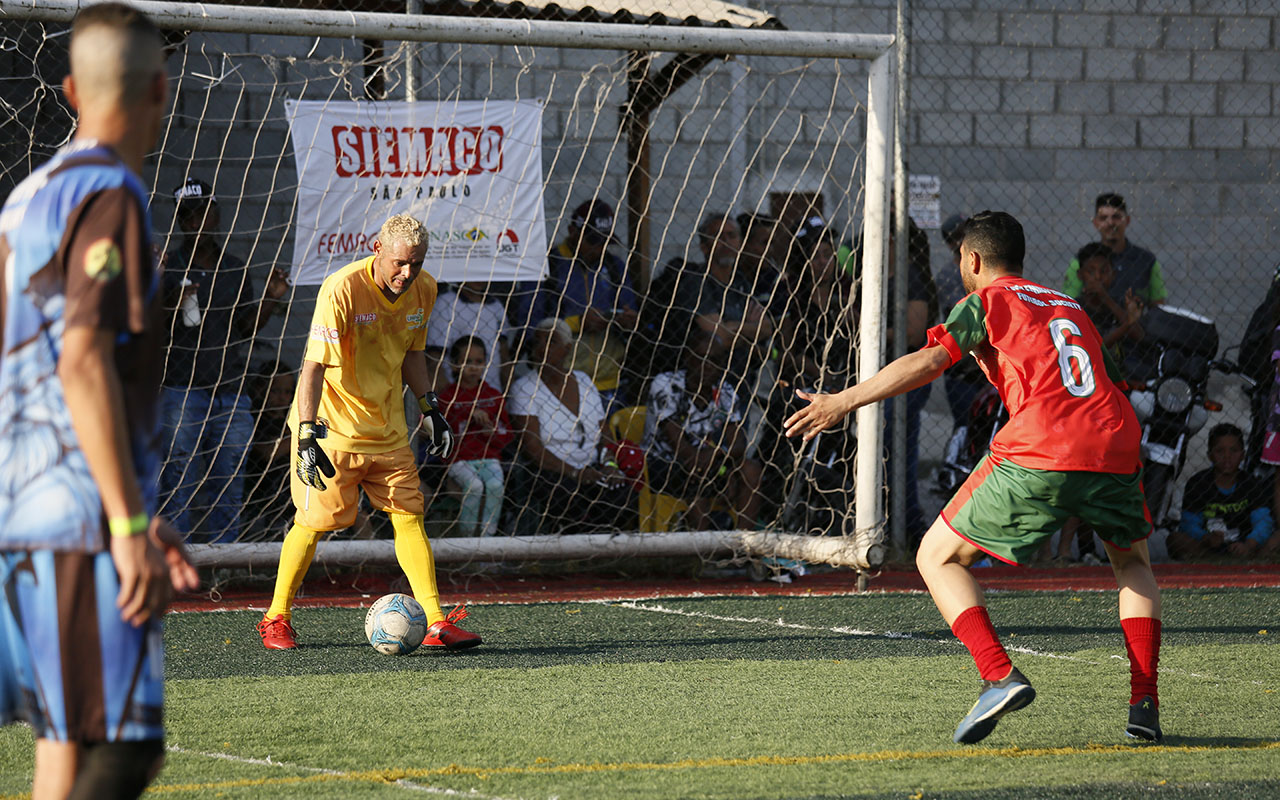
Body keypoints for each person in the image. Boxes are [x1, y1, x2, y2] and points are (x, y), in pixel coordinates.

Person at [785, 211, 1164, 745]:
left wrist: (844, 399)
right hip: (1115, 435)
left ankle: (998, 675)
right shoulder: (1069, 305)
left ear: (974, 259)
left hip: (1045, 441)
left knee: (934, 556)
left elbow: (929, 360)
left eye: (960, 257)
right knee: (1133, 564)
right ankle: (1144, 704)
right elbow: (1110, 378)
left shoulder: (986, 301)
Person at [0, 5, 200, 798]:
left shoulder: (26, 198)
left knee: (68, 743)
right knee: (119, 753)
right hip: (77, 524)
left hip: (23, 507)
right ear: (162, 89)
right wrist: (121, 521)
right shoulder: (112, 195)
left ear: (69, 91)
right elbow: (81, 360)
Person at [256, 214, 481, 652]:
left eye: (415, 264)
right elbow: (312, 367)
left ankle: (435, 621)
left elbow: (414, 353)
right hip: (331, 430)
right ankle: (275, 617)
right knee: (314, 524)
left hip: (390, 430)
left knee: (410, 517)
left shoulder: (425, 288)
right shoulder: (341, 288)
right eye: (399, 263)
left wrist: (429, 405)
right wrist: (304, 436)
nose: (406, 273)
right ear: (377, 251)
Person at [160, 177, 289, 543]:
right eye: (188, 217)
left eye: (202, 214)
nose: (196, 222)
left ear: (216, 216)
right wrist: (169, 296)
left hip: (229, 391)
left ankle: (224, 560)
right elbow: (151, 329)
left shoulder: (233, 267)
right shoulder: (168, 267)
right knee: (177, 478)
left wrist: (270, 298)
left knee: (229, 478)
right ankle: (175, 561)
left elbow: (243, 328)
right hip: (182, 390)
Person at [507, 318, 633, 535]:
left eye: (551, 341)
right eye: (538, 341)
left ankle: (601, 548)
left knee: (624, 494)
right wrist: (576, 473)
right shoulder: (524, 388)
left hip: (592, 466)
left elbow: (605, 433)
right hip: (553, 471)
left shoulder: (584, 381)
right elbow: (533, 448)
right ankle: (573, 547)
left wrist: (609, 465)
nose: (543, 347)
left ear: (567, 348)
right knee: (564, 493)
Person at [644, 326, 765, 530]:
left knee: (751, 470)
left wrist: (722, 463)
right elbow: (684, 452)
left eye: (715, 361)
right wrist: (721, 465)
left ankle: (742, 547)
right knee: (697, 473)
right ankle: (704, 552)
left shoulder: (724, 391)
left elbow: (738, 444)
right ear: (688, 359)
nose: (707, 366)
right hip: (664, 464)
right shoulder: (666, 385)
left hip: (712, 462)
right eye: (701, 358)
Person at [545, 199, 641, 412]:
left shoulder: (614, 266)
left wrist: (628, 321)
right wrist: (578, 323)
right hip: (561, 381)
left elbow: (630, 312)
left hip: (609, 384)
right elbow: (530, 323)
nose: (599, 249)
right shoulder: (549, 265)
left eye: (604, 241)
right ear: (572, 231)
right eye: (592, 241)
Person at [438, 336, 514, 537]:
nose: (473, 367)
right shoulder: (447, 397)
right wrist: (466, 415)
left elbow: (507, 434)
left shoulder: (493, 395)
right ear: (454, 365)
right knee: (475, 486)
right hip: (459, 459)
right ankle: (467, 538)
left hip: (489, 456)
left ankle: (487, 537)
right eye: (467, 362)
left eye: (479, 362)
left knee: (495, 485)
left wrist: (492, 430)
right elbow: (441, 434)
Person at [1171, 423, 1277, 561]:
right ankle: (1212, 563)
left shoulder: (1251, 483)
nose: (1227, 456)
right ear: (1210, 455)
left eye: (1234, 450)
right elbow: (1188, 523)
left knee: (1276, 539)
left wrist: (1249, 544)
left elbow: (1263, 522)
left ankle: (1252, 565)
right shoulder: (1198, 483)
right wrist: (1205, 538)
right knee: (1175, 539)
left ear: (1242, 455)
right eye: (1220, 451)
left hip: (1245, 546)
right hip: (1209, 546)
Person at [1063, 193, 1166, 308]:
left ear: (1127, 220)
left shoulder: (1147, 260)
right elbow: (1069, 303)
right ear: (1095, 223)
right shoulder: (1081, 260)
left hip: (1137, 324)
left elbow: (1158, 305)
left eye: (1116, 217)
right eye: (1103, 218)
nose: (1110, 223)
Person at [242, 361, 298, 538]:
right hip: (264, 487)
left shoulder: (292, 419)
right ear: (260, 390)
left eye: (287, 392)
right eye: (276, 391)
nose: (282, 397)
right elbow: (269, 453)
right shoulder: (255, 419)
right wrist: (301, 438)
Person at [426, 281, 513, 392]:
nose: (479, 279)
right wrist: (444, 388)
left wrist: (509, 385)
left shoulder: (496, 306)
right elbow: (434, 353)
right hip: (456, 391)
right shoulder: (445, 303)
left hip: (491, 390)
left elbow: (503, 353)